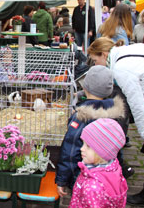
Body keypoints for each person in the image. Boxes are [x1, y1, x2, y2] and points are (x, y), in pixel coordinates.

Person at [88, 37, 144, 206]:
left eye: (95, 60)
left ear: (104, 54)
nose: (96, 66)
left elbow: (136, 103)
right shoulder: (132, 49)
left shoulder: (121, 68)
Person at [55, 65, 126, 195]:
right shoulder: (114, 114)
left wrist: (62, 180)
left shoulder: (82, 117)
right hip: (106, 178)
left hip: (83, 178)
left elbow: (70, 152)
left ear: (85, 87)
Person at [69, 118, 128, 208]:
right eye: (83, 144)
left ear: (102, 152)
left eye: (88, 146)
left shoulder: (92, 188)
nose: (82, 148)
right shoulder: (114, 167)